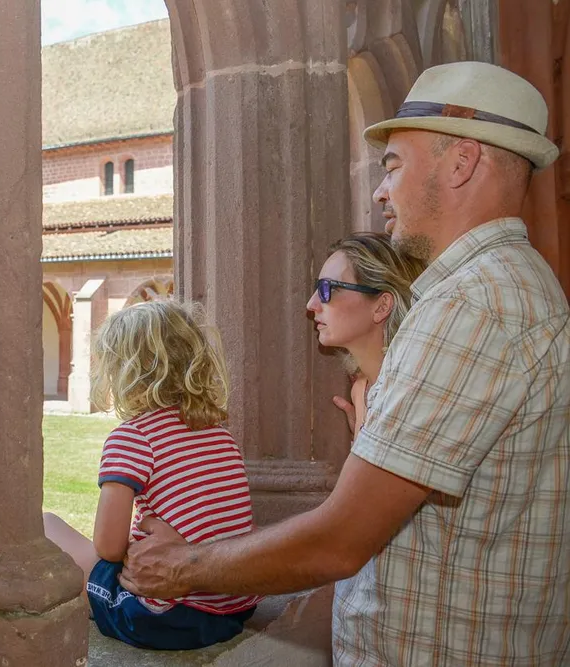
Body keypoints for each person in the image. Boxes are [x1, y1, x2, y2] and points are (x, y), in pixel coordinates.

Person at [119, 61, 570, 666]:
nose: (381, 191)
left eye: (394, 166)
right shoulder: (503, 286)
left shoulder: (475, 304)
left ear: (461, 162)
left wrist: (184, 567)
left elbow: (342, 539)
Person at [43, 299, 261, 650]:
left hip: (167, 616)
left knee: (45, 526)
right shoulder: (218, 432)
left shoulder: (133, 437)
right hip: (233, 608)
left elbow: (108, 548)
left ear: (125, 371)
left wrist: (131, 548)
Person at [307, 232, 426, 430]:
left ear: (382, 306)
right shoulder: (361, 392)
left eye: (327, 288)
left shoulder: (414, 392)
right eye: (317, 287)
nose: (311, 304)